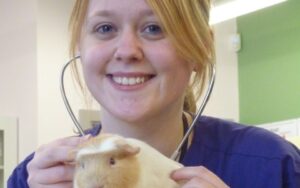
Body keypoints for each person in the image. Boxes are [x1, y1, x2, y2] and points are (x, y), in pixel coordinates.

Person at [8, 0, 300, 187]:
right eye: (105, 28)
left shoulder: (273, 166)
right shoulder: (32, 178)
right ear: (79, 48)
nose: (127, 51)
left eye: (154, 28)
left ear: (201, 49)